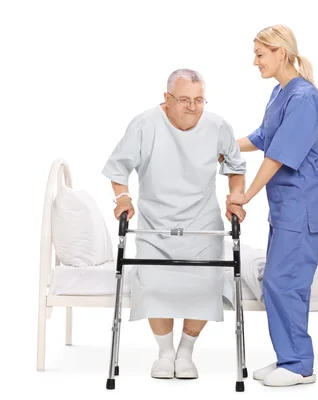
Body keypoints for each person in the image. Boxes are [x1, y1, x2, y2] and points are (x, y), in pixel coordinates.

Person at [102, 68, 247, 380]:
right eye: (184, 100)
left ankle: (186, 351)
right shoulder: (144, 124)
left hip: (202, 220)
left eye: (199, 100)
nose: (192, 107)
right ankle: (165, 352)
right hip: (156, 222)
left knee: (205, 285)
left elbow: (235, 166)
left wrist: (235, 199)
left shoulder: (218, 125)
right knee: (153, 284)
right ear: (166, 99)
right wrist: (123, 199)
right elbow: (118, 168)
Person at [225, 25, 318, 387]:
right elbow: (262, 137)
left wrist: (246, 195)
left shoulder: (303, 98)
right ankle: (288, 357)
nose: (255, 62)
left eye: (260, 54)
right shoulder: (279, 93)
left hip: (300, 205)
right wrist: (221, 145)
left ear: (280, 53)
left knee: (286, 282)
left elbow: (278, 156)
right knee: (278, 281)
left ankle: (299, 364)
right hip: (286, 206)